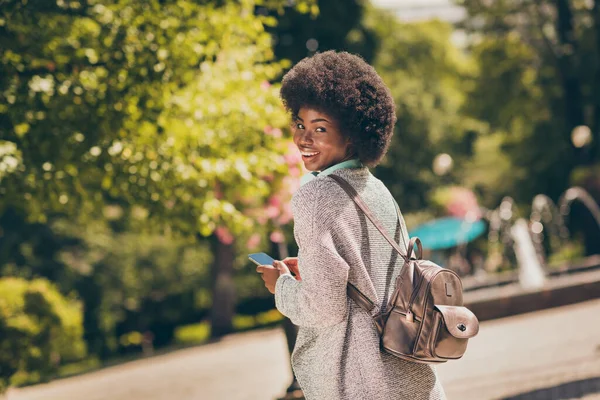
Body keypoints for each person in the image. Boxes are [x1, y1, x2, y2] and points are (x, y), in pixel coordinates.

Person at [256, 51, 446, 400]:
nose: (303, 139)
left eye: (320, 129)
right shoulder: (375, 187)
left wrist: (280, 285)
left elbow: (323, 309)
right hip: (408, 368)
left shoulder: (315, 197)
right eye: (300, 124)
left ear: (352, 137)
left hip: (362, 376)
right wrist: (311, 273)